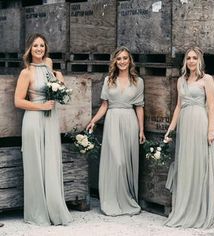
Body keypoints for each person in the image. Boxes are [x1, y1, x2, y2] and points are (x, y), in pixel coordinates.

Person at [14, 33, 72, 226]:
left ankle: (54, 208)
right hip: (34, 119)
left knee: (51, 162)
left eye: (42, 46)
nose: (39, 49)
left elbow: (59, 92)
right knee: (36, 165)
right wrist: (41, 107)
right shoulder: (26, 72)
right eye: (35, 46)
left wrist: (60, 78)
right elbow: (18, 101)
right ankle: (38, 212)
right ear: (29, 49)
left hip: (50, 120)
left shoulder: (49, 64)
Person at [86, 46, 145, 216]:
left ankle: (126, 199)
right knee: (116, 161)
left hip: (129, 121)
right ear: (114, 61)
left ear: (130, 60)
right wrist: (94, 120)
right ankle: (111, 200)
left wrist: (141, 129)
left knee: (125, 162)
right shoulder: (108, 80)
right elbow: (104, 105)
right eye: (118, 59)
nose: (122, 61)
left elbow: (139, 107)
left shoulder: (138, 81)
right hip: (112, 121)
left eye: (125, 58)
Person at [164, 47, 214, 228]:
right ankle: (183, 208)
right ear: (185, 61)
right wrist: (171, 129)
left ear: (199, 60)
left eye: (194, 58)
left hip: (200, 123)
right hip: (185, 124)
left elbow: (211, 107)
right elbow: (178, 106)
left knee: (198, 163)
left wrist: (211, 130)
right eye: (188, 58)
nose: (191, 61)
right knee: (185, 163)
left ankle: (198, 209)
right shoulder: (181, 80)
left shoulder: (207, 79)